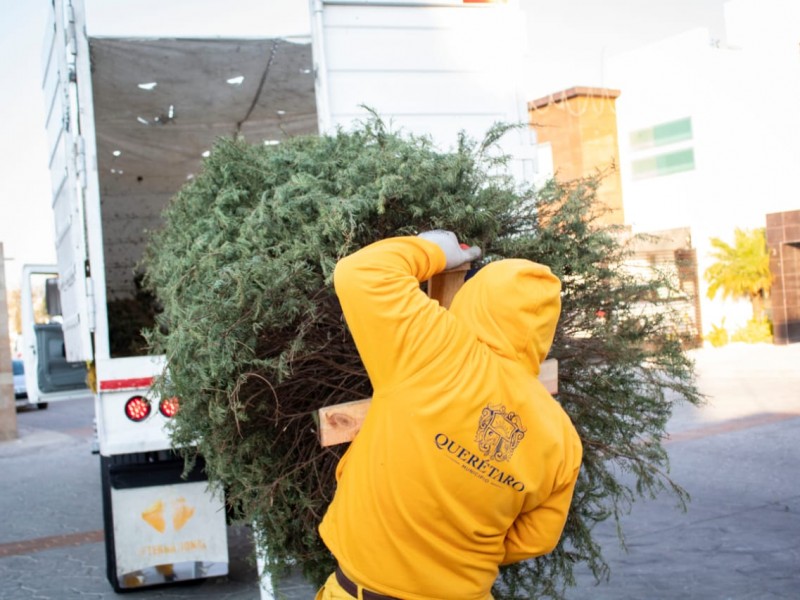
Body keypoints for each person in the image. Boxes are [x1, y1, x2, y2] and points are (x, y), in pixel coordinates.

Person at [316, 231, 583, 600]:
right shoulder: (562, 437)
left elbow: (362, 272)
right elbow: (536, 539)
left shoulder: (437, 352)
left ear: (475, 300)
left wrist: (435, 250)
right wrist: (454, 549)